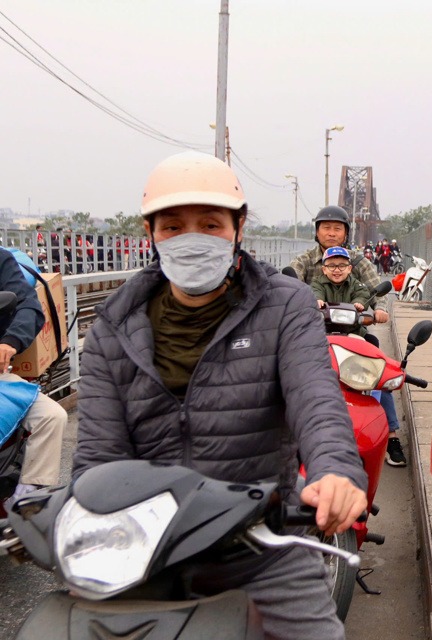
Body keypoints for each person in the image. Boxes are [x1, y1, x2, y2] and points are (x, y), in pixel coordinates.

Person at [72, 151, 367, 640]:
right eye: (173, 227)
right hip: (146, 554)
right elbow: (98, 459)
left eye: (210, 224)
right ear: (151, 233)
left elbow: (317, 400)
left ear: (238, 227)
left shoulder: (285, 306)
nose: (192, 240)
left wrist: (336, 470)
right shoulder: (113, 325)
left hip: (261, 545)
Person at [290, 208, 407, 467]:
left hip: (352, 330)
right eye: (326, 228)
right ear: (317, 231)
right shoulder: (306, 260)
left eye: (337, 228)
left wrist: (379, 311)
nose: (331, 233)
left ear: (345, 233)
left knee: (376, 365)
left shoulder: (356, 260)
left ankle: (391, 435)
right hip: (314, 330)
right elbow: (290, 280)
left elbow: (375, 288)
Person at [0, 246, 67, 514]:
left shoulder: (1, 260)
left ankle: (29, 497)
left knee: (52, 416)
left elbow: (29, 305)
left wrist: (9, 341)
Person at [311, 246, 375, 336]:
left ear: (349, 269)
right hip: (323, 331)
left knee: (373, 341)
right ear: (324, 269)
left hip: (352, 330)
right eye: (331, 266)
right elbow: (315, 291)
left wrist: (358, 303)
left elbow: (362, 294)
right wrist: (317, 300)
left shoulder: (356, 284)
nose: (337, 270)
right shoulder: (317, 282)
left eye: (342, 266)